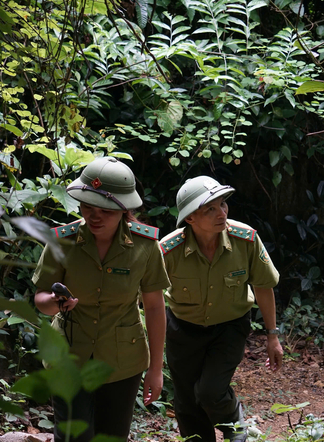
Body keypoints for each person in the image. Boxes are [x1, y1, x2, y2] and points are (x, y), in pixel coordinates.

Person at [32, 157, 170, 442]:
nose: (95, 217)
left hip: (123, 361)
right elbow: (41, 297)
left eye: (105, 210)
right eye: (87, 207)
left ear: (124, 210)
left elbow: (155, 308)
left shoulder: (146, 246)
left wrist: (156, 370)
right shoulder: (61, 241)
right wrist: (56, 303)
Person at [160, 176, 283, 442]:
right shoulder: (169, 251)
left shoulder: (246, 240)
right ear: (190, 218)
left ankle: (235, 428)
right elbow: (149, 295)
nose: (222, 213)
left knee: (210, 391)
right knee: (186, 401)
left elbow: (263, 286)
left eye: (223, 205)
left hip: (229, 327)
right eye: (210, 209)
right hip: (183, 329)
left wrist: (272, 336)